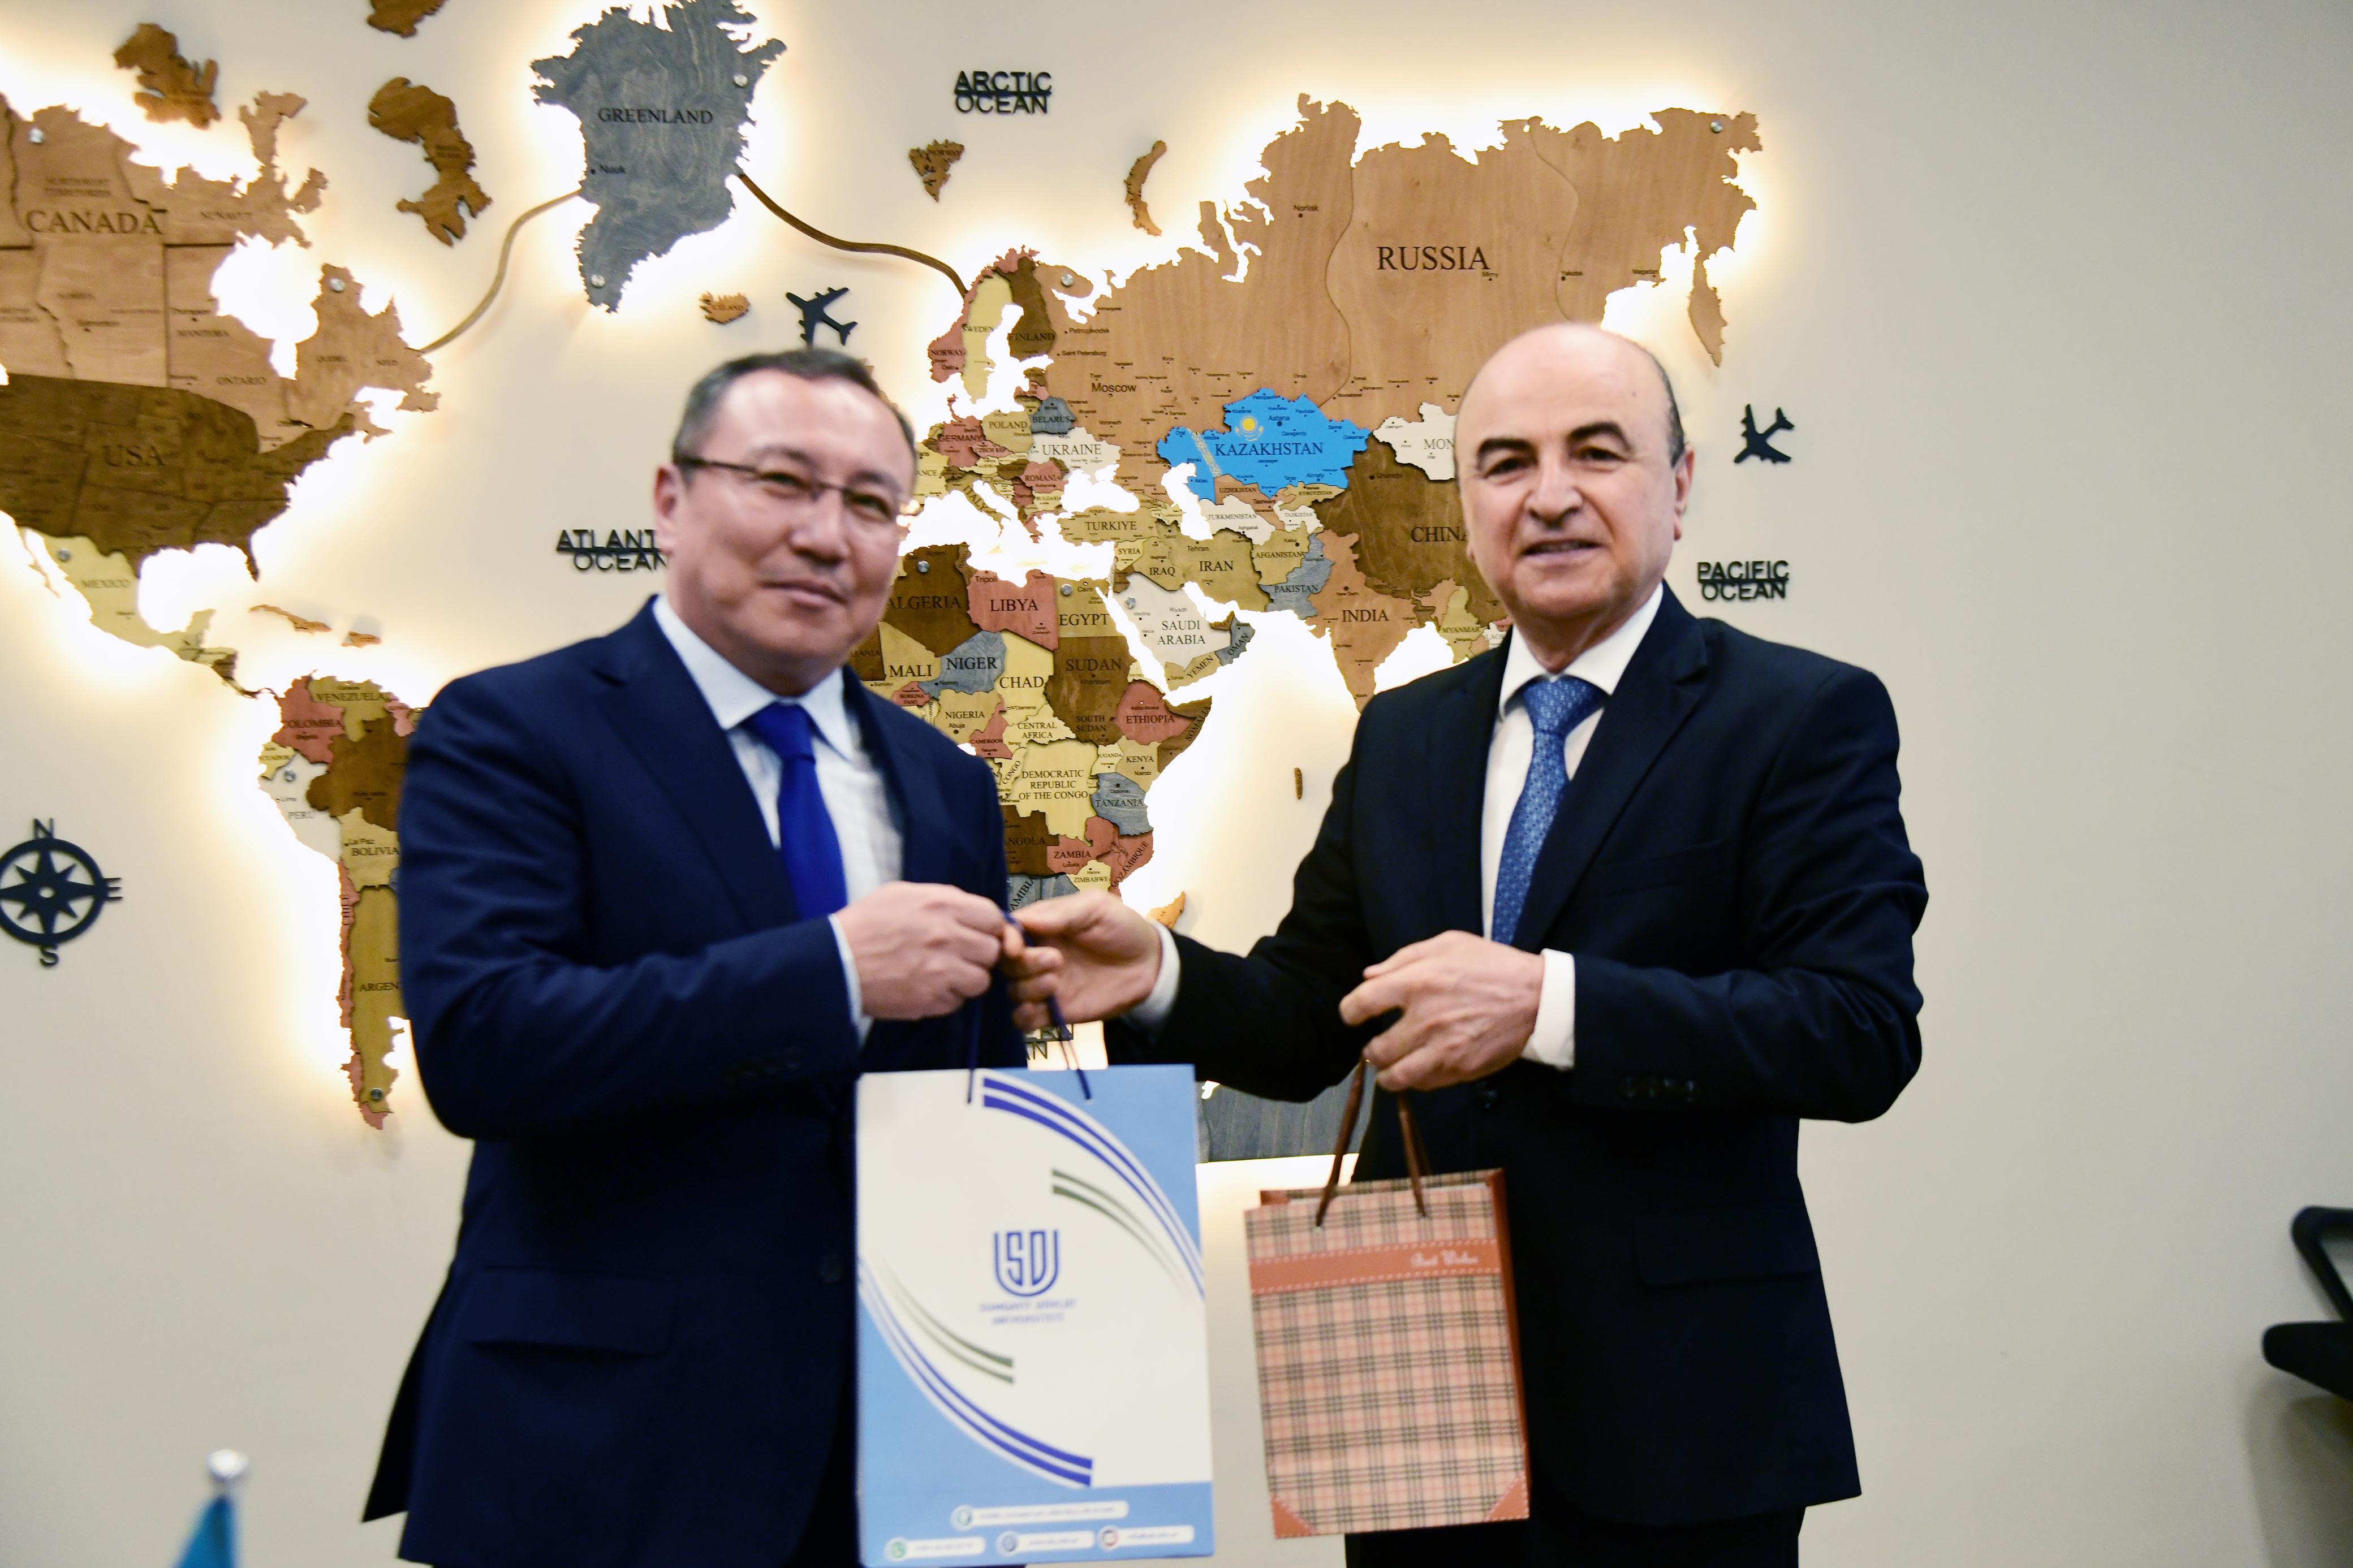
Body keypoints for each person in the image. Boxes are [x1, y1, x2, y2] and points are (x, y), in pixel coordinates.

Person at [1014, 323, 1929, 1568]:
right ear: (1468, 504)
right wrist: (1160, 975)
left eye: (1595, 452)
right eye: (1506, 462)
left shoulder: (1800, 716)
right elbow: (1311, 1014)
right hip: (1418, 1391)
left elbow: (1854, 1031)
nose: (1548, 495)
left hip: (1682, 1413)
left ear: (1677, 485)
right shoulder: (1405, 734)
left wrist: (1548, 1004)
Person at [363, 348, 1029, 1568]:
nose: (825, 535)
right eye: (783, 482)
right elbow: (484, 1043)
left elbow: (968, 1110)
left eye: (871, 503)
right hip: (601, 1451)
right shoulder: (513, 729)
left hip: (892, 1458)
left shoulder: (948, 783)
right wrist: (832, 972)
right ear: (670, 499)